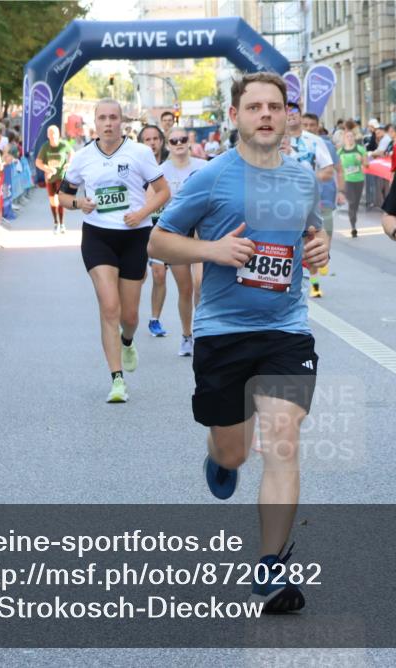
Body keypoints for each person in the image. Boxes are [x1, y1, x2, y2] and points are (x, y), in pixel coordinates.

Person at [148, 71, 328, 614]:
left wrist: (318, 251)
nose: (267, 115)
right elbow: (158, 241)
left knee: (282, 441)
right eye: (255, 107)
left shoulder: (302, 179)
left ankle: (269, 571)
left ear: (288, 114)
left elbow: (311, 234)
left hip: (286, 328)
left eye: (276, 106)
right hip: (223, 331)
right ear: (236, 116)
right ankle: (221, 457)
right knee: (233, 447)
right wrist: (213, 252)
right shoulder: (212, 177)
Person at [57, 99, 171, 403]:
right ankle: (117, 380)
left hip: (134, 236)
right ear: (95, 122)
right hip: (97, 236)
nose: (108, 123)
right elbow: (63, 196)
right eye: (102, 118)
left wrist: (142, 212)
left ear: (122, 121)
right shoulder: (82, 158)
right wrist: (80, 203)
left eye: (113, 118)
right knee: (109, 306)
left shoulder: (140, 153)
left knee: (129, 315)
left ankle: (128, 340)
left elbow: (164, 192)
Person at [161, 126, 208, 357]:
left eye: (182, 139)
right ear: (167, 144)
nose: (178, 143)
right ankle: (186, 334)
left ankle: (202, 332)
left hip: (199, 232)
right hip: (176, 233)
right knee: (185, 289)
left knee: (200, 283)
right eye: (173, 140)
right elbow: (153, 200)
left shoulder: (204, 166)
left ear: (189, 141)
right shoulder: (161, 171)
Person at [286, 102, 334, 298]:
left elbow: (328, 169)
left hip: (308, 203)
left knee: (311, 242)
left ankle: (313, 285)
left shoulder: (313, 141)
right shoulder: (273, 140)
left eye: (294, 111)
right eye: (286, 111)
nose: (291, 115)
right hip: (281, 203)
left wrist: (308, 182)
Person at [302, 111, 343, 288]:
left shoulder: (326, 145)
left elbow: (338, 169)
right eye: (306, 125)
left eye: (312, 125)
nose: (309, 128)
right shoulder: (296, 147)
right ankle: (314, 280)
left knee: (327, 234)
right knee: (311, 238)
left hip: (326, 198)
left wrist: (341, 192)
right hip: (305, 201)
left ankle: (323, 257)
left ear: (318, 127)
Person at [138, 124, 171, 337]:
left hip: (162, 228)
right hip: (139, 228)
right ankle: (127, 314)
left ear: (161, 141)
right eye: (147, 139)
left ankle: (154, 319)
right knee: (138, 277)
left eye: (155, 139)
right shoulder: (134, 166)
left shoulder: (169, 166)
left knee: (159, 275)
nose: (152, 143)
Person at [35, 125, 73, 234]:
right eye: (50, 134)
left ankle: (62, 224)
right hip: (50, 177)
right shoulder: (45, 147)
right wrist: (47, 168)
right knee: (52, 201)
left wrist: (69, 163)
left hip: (61, 175)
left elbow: (72, 153)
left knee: (60, 199)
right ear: (47, 135)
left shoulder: (63, 145)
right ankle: (56, 222)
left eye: (54, 133)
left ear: (58, 134)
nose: (52, 136)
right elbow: (38, 162)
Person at [338, 125, 368, 237]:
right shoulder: (340, 151)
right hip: (347, 180)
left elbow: (367, 165)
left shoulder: (360, 149)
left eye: (351, 136)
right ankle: (353, 227)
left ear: (354, 138)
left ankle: (353, 218)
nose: (350, 138)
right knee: (351, 202)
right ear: (344, 139)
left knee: (355, 204)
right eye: (347, 137)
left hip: (359, 179)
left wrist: (361, 160)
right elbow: (337, 167)